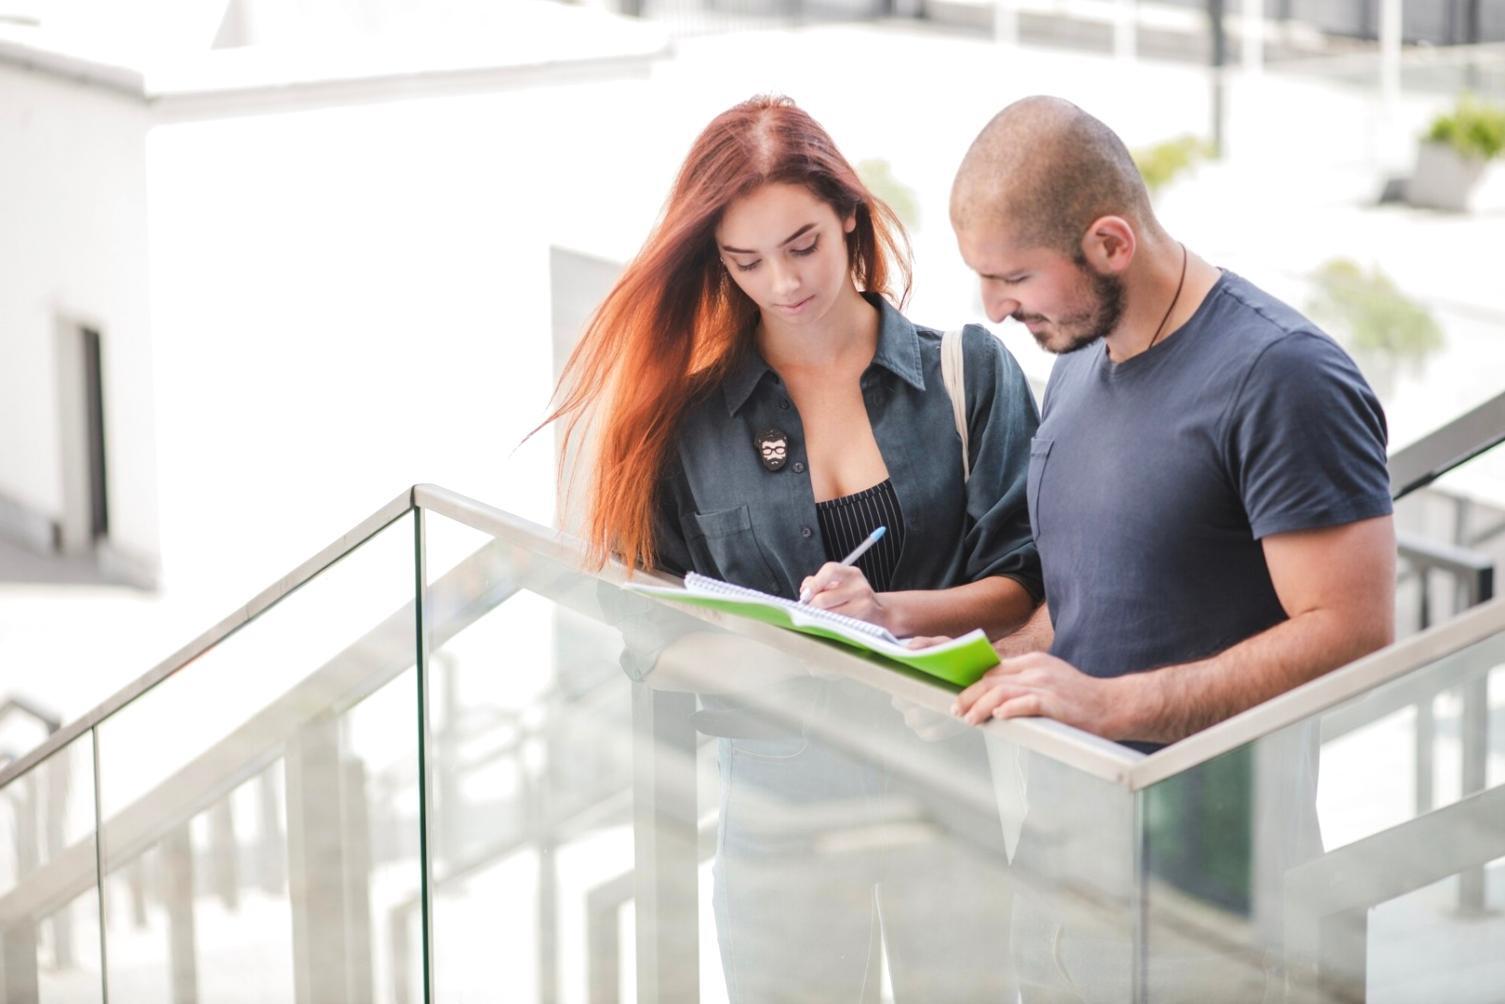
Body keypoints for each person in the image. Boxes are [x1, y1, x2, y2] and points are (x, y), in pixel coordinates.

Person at [545, 96, 1044, 1000]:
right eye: (747, 261)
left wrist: (888, 617)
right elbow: (646, 638)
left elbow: (1023, 580)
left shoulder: (965, 372)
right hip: (775, 818)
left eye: (802, 244)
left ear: (848, 213)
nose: (782, 282)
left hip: (949, 798)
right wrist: (794, 650)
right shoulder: (688, 421)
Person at [945, 96, 1397, 1001]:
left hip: (1214, 910)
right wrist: (979, 666)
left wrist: (1112, 706)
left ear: (1109, 243)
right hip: (1060, 879)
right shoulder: (1078, 359)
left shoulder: (1284, 377)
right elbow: (1091, 603)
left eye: (1013, 278)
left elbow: (1351, 631)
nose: (993, 310)